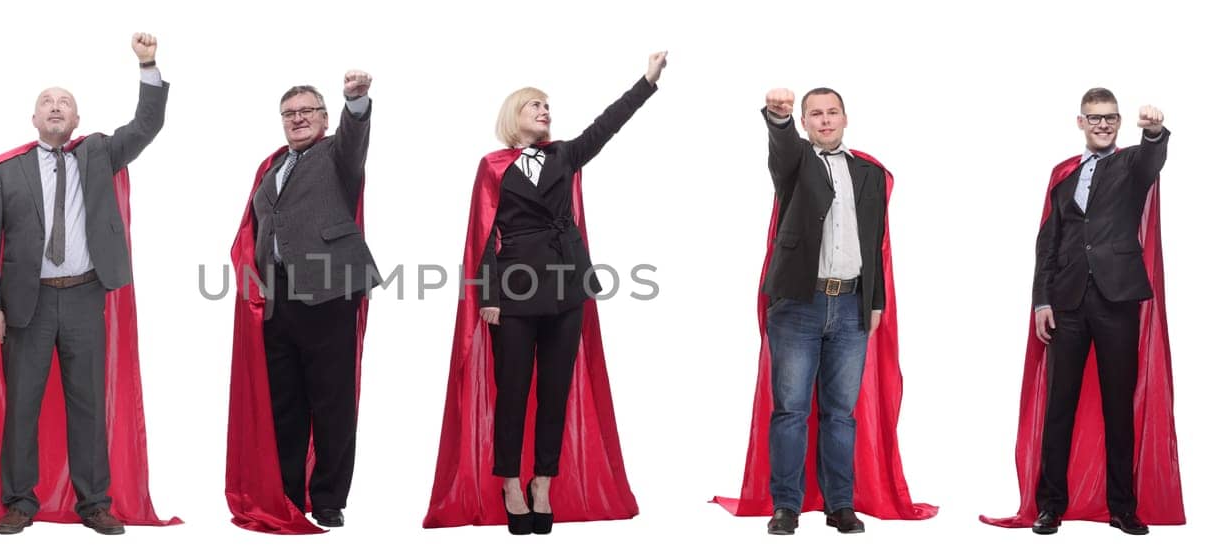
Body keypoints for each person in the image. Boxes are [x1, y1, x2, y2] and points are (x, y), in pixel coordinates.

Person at [422, 53, 664, 536]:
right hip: (512, 290)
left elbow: (607, 124)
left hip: (567, 285)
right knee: (512, 390)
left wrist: (646, 82)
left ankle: (543, 484)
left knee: (555, 390)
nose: (544, 110)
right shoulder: (491, 165)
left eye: (547, 105)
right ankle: (510, 483)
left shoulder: (564, 155)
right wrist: (488, 296)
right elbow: (484, 234)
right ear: (514, 115)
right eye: (535, 105)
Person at [0, 32, 169, 536]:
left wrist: (147, 64)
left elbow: (148, 124)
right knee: (22, 406)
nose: (56, 108)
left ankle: (95, 502)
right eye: (46, 103)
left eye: (65, 104)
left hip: (84, 295)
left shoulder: (99, 153)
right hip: (25, 305)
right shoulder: (5, 171)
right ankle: (19, 501)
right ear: (34, 118)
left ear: (77, 120)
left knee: (88, 403)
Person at [715, 86, 936, 534]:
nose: (825, 120)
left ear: (845, 118)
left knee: (841, 413)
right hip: (798, 303)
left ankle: (840, 504)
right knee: (791, 410)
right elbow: (782, 148)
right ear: (805, 121)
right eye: (814, 114)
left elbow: (877, 244)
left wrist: (875, 301)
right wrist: (777, 120)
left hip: (852, 304)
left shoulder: (869, 174)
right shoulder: (796, 162)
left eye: (832, 112)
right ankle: (787, 506)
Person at [982, 89, 1182, 535]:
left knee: (1118, 407)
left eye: (1110, 118)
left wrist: (1153, 131)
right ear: (1080, 122)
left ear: (1118, 122)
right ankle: (1050, 505)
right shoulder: (1064, 176)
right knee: (1059, 407)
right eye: (1094, 119)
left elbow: (1154, 159)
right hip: (1067, 304)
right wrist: (1042, 301)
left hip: (1117, 301)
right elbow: (1047, 245)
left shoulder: (1131, 166)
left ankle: (1122, 508)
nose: (1103, 125)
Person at [224, 71, 375, 533]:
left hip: (330, 289)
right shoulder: (271, 168)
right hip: (276, 298)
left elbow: (355, 138)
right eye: (290, 113)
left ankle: (329, 499)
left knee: (331, 401)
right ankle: (288, 494)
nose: (298, 119)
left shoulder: (338, 154)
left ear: (325, 118)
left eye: (307, 111)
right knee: (284, 403)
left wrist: (357, 101)